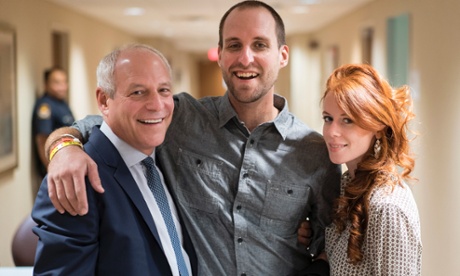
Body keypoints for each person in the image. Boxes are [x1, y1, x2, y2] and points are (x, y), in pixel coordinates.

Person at [43, 1, 341, 275]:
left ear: (282, 55)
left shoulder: (314, 151)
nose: (245, 58)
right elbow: (109, 124)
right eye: (234, 45)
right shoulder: (181, 118)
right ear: (221, 56)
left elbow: (331, 244)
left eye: (260, 45)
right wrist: (63, 147)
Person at [32, 44, 197, 275]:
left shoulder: (168, 158)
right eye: (138, 92)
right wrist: (62, 146)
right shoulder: (76, 179)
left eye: (164, 90)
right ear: (104, 100)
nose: (157, 105)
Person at [299, 63, 422, 275]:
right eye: (328, 118)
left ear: (377, 126)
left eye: (348, 120)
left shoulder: (387, 207)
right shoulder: (349, 184)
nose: (332, 132)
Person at [32, 67, 75, 179]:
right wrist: (51, 169)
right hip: (56, 170)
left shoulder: (62, 103)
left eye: (64, 82)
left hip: (67, 164)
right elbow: (42, 140)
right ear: (46, 84)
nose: (62, 87)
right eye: (57, 83)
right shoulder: (45, 106)